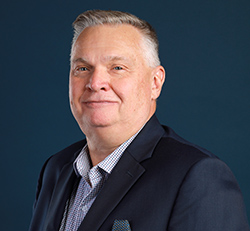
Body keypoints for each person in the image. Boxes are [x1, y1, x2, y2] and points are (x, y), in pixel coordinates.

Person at [29, 10, 250, 231]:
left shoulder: (198, 177)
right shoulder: (56, 169)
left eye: (117, 68)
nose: (95, 83)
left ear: (155, 82)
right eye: (83, 68)